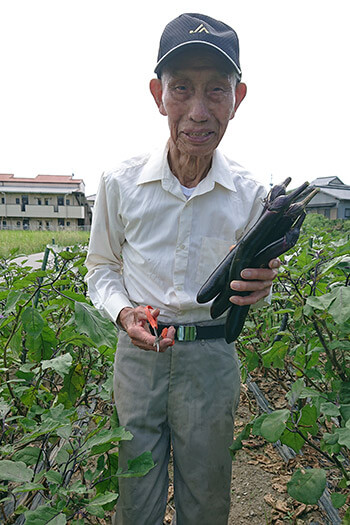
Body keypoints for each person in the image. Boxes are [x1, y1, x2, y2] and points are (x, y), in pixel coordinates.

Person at [86, 13, 280, 525]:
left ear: (238, 99)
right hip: (138, 356)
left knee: (207, 500)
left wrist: (259, 286)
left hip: (211, 360)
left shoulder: (250, 194)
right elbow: (101, 268)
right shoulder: (120, 182)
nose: (198, 111)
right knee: (135, 501)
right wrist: (125, 312)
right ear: (157, 94)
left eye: (216, 90)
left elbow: (252, 279)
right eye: (182, 89)